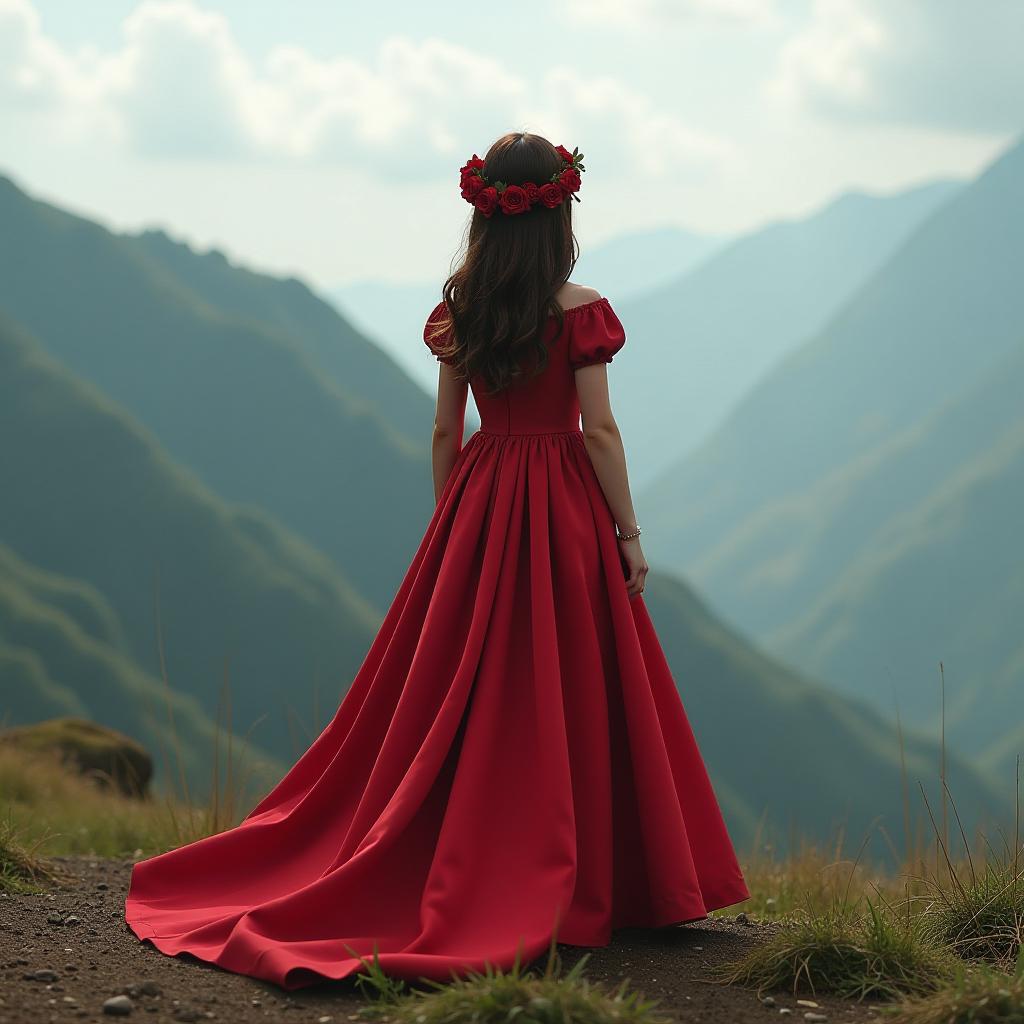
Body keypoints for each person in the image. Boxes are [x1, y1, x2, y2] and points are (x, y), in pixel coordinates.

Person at [124, 130, 750, 991]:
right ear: (561, 212)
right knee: (571, 681)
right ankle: (605, 880)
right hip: (563, 504)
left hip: (481, 493)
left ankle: (452, 846)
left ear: (484, 214)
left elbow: (443, 430)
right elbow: (598, 430)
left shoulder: (458, 309)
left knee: (460, 688)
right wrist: (630, 532)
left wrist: (451, 519)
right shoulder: (579, 308)